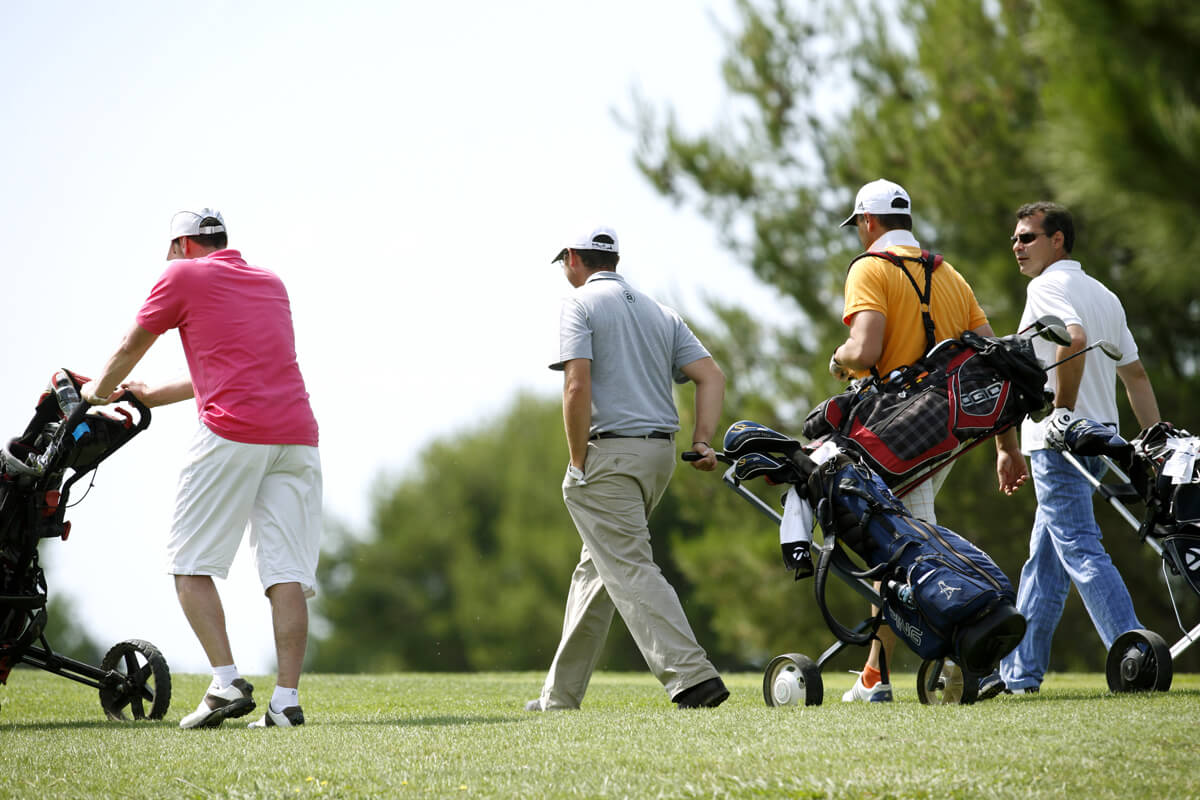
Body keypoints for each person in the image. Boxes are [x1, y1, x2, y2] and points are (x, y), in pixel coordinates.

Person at [81, 208, 321, 729]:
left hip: (233, 432)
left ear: (184, 246)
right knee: (287, 573)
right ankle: (285, 702)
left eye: (170, 250)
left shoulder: (181, 274)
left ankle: (226, 681)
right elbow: (233, 369)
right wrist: (151, 395)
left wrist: (93, 395)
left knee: (190, 565)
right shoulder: (269, 282)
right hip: (297, 436)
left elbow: (131, 345)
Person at [829, 179, 1019, 702]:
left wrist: (839, 357)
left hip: (898, 432)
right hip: (951, 431)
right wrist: (1006, 446)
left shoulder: (869, 267)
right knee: (905, 544)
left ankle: (971, 663)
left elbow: (864, 351)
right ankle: (881, 673)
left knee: (906, 551)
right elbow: (992, 360)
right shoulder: (949, 273)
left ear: (868, 223)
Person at [526, 225, 729, 710]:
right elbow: (711, 376)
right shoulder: (661, 311)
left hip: (609, 455)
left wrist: (578, 461)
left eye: (564, 263)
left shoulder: (579, 305)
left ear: (574, 258)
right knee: (597, 571)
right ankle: (559, 697)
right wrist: (702, 439)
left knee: (630, 566)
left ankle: (693, 679)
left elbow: (577, 387)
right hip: (658, 457)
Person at [982, 201, 1160, 697]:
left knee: (1080, 548)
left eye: (1027, 237)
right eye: (1016, 238)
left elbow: (1071, 339)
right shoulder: (1104, 293)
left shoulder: (1045, 287)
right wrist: (1156, 438)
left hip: (1059, 444)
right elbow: (1136, 376)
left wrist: (1060, 411)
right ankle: (1019, 675)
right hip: (1101, 444)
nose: (1016, 246)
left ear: (1057, 239)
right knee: (1045, 560)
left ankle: (1137, 657)